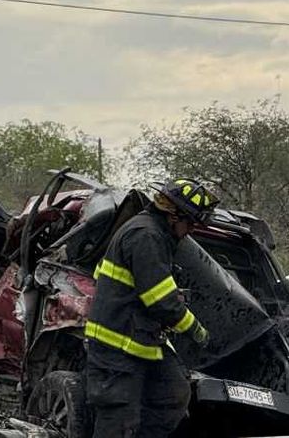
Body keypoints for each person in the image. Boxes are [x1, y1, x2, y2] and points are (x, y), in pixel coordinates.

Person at [85, 178, 217, 438]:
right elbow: (162, 301)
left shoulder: (157, 235)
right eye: (189, 222)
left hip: (139, 340)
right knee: (120, 419)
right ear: (172, 214)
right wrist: (197, 331)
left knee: (173, 392)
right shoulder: (146, 235)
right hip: (116, 346)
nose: (190, 230)